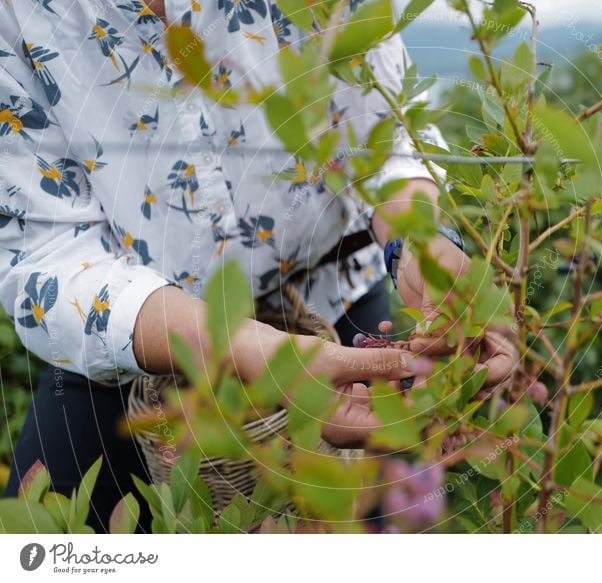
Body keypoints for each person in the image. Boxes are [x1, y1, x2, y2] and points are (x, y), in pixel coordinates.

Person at [0, 0, 513, 531]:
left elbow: (383, 129)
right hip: (125, 345)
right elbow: (41, 251)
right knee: (42, 539)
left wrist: (417, 243)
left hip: (333, 310)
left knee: (361, 522)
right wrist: (234, 346)